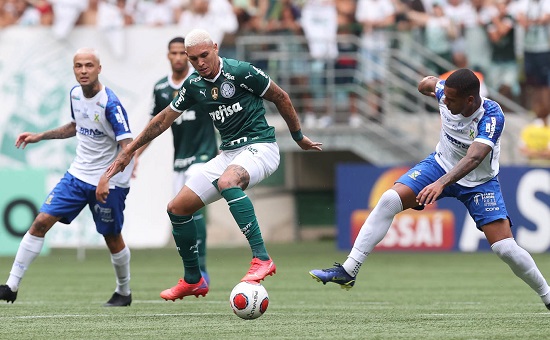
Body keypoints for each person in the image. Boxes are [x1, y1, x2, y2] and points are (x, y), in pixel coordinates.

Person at [97, 28, 322, 301]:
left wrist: (298, 137)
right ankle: (194, 279)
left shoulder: (241, 72)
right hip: (228, 153)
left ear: (215, 48)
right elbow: (163, 118)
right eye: (194, 59)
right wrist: (129, 152)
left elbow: (281, 97)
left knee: (228, 182)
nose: (200, 62)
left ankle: (262, 258)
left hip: (261, 146)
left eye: (204, 55)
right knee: (177, 208)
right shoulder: (193, 85)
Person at [310, 69, 550, 310]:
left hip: (479, 182)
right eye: (444, 96)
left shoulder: (492, 115)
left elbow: (474, 158)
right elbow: (426, 84)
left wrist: (441, 183)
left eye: (451, 99)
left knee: (505, 249)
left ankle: (547, 295)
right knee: (389, 200)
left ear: (469, 100)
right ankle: (349, 270)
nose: (445, 101)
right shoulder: (445, 94)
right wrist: (430, 84)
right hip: (439, 164)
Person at [0, 47, 134, 307]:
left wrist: (107, 177)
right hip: (77, 175)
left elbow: (128, 147)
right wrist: (40, 136)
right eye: (78, 66)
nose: (83, 71)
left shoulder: (111, 103)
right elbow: (76, 126)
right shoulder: (74, 94)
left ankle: (124, 292)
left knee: (112, 237)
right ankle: (11, 286)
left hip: (109, 182)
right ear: (74, 69)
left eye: (88, 66)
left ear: (99, 68)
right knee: (40, 222)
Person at [133, 36, 218, 284]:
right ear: (168, 56)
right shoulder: (161, 89)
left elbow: (222, 113)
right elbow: (154, 126)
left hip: (204, 156)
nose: (179, 57)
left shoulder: (202, 83)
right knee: (179, 212)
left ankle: (201, 269)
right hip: (179, 159)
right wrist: (135, 155)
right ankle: (191, 271)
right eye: (174, 53)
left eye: (183, 53)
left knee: (192, 207)